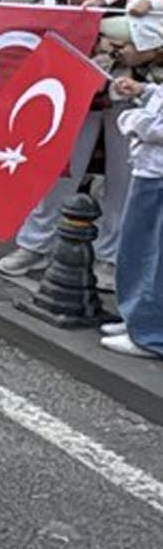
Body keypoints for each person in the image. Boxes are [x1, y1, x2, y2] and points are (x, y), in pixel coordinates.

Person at [0, 0, 148, 281]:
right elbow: (41, 31)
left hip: (136, 92)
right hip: (72, 89)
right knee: (56, 170)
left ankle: (111, 257)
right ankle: (34, 245)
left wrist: (143, 51)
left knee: (126, 178)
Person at [101, 72, 163, 359]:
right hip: (149, 168)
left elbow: (155, 127)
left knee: (154, 256)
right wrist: (145, 91)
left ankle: (151, 334)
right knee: (137, 249)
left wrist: (132, 121)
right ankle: (137, 320)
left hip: (158, 170)